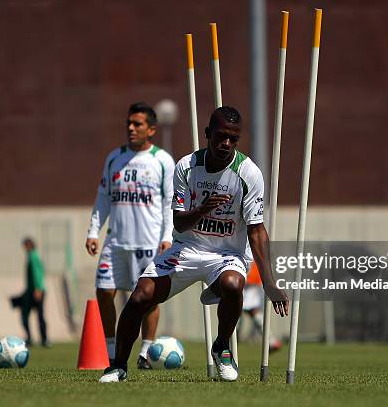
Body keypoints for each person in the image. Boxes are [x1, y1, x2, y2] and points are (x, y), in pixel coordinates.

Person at [99, 106, 289, 383]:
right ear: (207, 134)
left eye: (233, 139)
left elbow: (257, 231)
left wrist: (270, 283)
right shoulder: (187, 167)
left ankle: (222, 346)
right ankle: (118, 366)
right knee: (140, 296)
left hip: (226, 254)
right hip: (186, 248)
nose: (226, 144)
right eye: (221, 136)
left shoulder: (248, 173)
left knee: (234, 285)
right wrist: (202, 209)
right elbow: (179, 223)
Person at [86, 102, 175, 369]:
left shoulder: (162, 161)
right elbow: (103, 197)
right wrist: (93, 231)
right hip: (115, 242)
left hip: (149, 243)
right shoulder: (114, 158)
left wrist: (167, 236)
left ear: (151, 130)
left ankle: (145, 353)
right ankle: (111, 351)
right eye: (129, 123)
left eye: (137, 124)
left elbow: (169, 202)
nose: (131, 128)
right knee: (103, 292)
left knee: (148, 300)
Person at [240, 262, 282, 351]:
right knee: (250, 310)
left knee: (250, 310)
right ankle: (271, 341)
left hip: (247, 272)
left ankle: (272, 341)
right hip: (250, 272)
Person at [20, 237, 49, 347]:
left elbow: (37, 273)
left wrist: (37, 289)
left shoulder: (33, 256)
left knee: (39, 316)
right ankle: (33, 338)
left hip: (36, 291)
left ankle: (44, 339)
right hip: (31, 291)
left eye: (25, 245)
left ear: (29, 245)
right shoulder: (31, 256)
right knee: (27, 315)